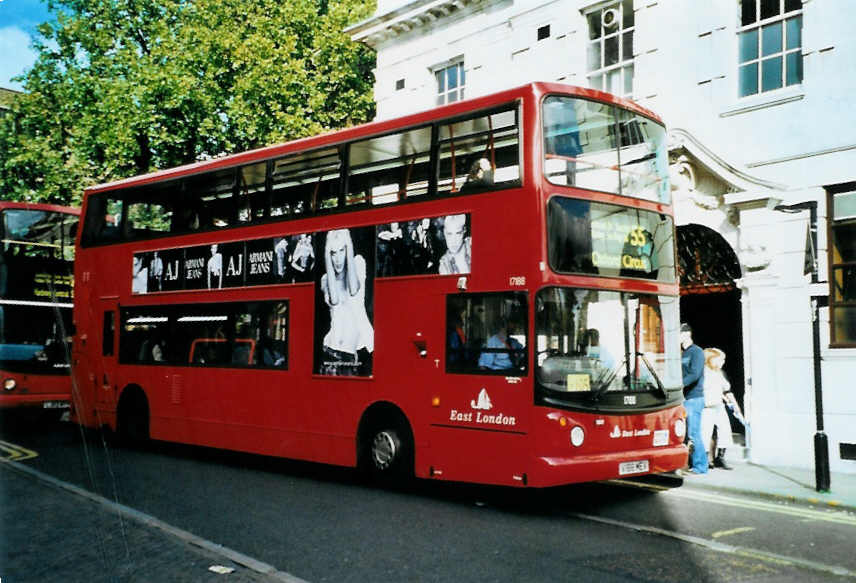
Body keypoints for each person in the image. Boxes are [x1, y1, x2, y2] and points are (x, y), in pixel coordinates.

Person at [320, 229, 374, 375]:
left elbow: (353, 289)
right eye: (333, 253)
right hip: (331, 352)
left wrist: (348, 245)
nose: (337, 258)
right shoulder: (326, 279)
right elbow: (335, 300)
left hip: (359, 350)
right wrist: (326, 255)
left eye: (341, 250)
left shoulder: (358, 262)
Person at [681, 323, 708, 474]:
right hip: (684, 398)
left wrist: (679, 384)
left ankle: (701, 466)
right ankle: (688, 464)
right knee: (685, 433)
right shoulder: (683, 353)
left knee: (693, 433)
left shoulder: (696, 352)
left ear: (686, 334)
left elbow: (695, 374)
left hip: (694, 398)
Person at [702, 348, 735, 470]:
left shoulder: (718, 372)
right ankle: (705, 460)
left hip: (719, 406)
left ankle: (720, 458)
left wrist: (731, 404)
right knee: (706, 433)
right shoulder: (704, 372)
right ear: (712, 359)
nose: (723, 362)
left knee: (725, 431)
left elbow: (724, 388)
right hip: (708, 407)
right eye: (721, 359)